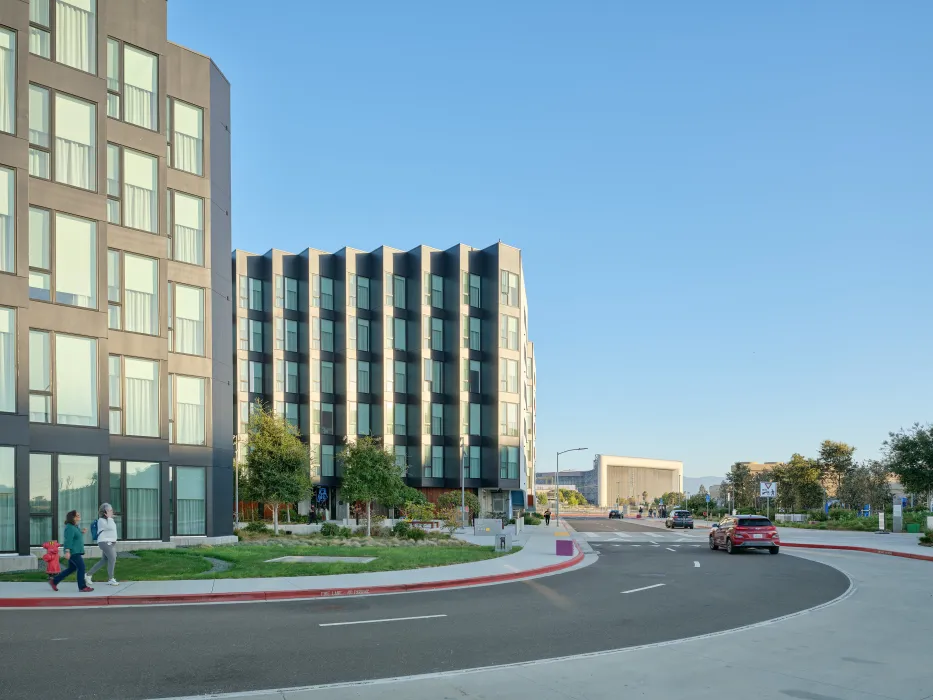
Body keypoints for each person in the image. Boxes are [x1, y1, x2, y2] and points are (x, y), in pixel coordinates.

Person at [49, 510, 93, 592]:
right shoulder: (69, 527)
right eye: (78, 515)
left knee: (72, 568)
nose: (79, 516)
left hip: (76, 551)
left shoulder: (74, 527)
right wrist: (67, 551)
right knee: (81, 567)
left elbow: (75, 536)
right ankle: (82, 587)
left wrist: (81, 532)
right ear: (73, 517)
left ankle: (54, 581)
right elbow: (68, 540)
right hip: (73, 552)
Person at [86, 503, 119, 587]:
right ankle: (111, 579)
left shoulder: (109, 519)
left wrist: (110, 518)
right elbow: (110, 527)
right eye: (109, 510)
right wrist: (110, 518)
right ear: (104, 512)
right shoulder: (101, 520)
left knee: (104, 560)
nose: (111, 511)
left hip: (110, 543)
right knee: (112, 558)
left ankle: (88, 575)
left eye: (111, 510)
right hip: (104, 542)